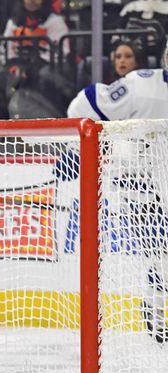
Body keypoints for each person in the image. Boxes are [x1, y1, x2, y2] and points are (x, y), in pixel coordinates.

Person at [67, 42, 168, 344]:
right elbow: (83, 106)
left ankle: (154, 308)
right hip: (140, 179)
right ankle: (154, 310)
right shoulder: (142, 85)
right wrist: (86, 148)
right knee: (161, 253)